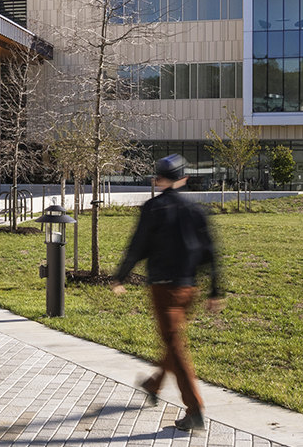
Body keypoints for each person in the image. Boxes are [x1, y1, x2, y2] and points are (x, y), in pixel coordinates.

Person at [110, 154, 224, 432]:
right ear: (183, 178)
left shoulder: (152, 209)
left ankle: (195, 410)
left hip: (163, 289)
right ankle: (154, 384)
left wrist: (120, 276)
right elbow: (211, 251)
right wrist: (215, 291)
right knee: (173, 341)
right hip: (189, 288)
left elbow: (137, 246)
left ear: (159, 179)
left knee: (175, 346)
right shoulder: (196, 209)